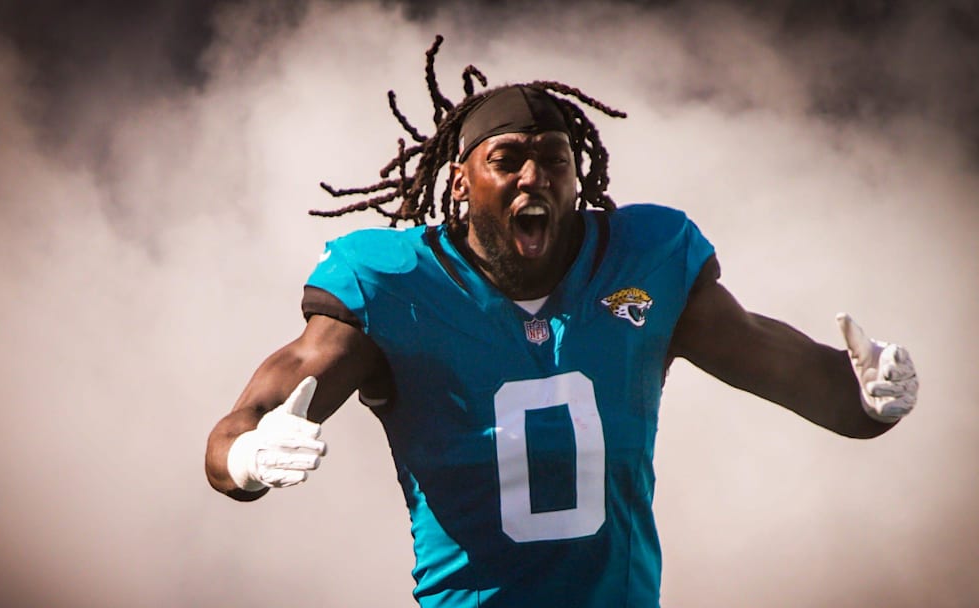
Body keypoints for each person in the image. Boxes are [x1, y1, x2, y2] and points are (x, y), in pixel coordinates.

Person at [204, 36, 918, 608]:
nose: (532, 177)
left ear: (578, 179)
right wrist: (246, 457)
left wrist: (866, 397)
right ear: (460, 181)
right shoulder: (393, 285)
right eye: (507, 159)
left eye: (553, 160)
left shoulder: (644, 260)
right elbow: (253, 416)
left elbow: (777, 363)